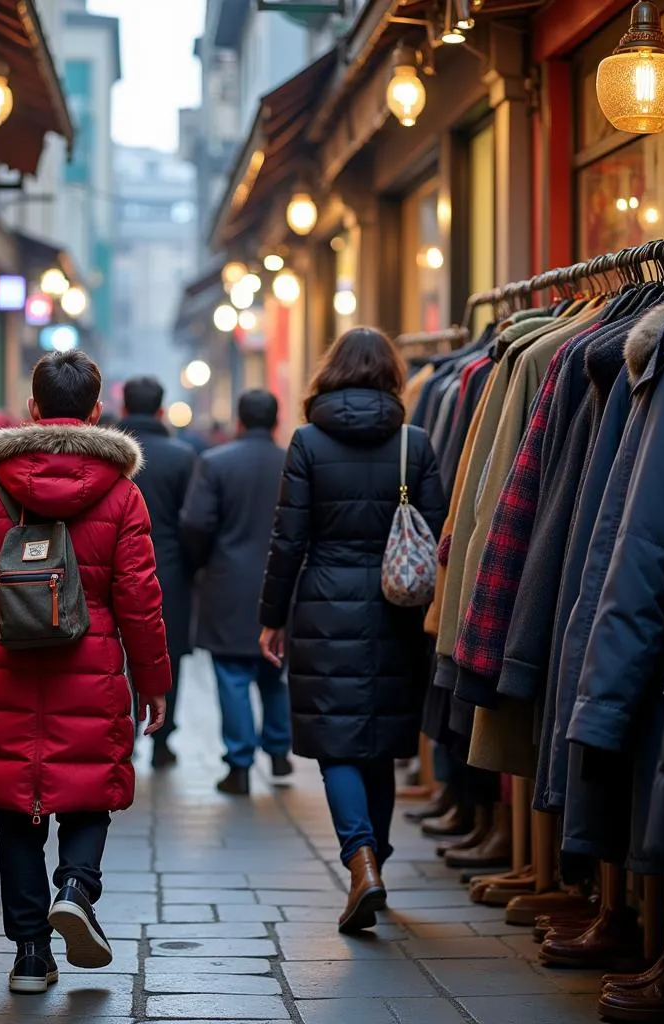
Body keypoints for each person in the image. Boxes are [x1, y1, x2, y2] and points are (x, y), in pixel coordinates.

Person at [0, 349, 171, 994]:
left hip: (4, 662)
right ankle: (75, 886)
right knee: (88, 788)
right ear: (98, 412)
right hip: (91, 664)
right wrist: (153, 682)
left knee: (15, 808)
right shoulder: (122, 493)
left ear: (34, 409)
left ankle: (31, 957)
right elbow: (140, 596)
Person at [258, 327, 447, 934]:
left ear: (330, 373)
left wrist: (272, 615)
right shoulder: (413, 444)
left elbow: (289, 538)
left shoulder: (307, 442)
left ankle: (359, 860)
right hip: (396, 607)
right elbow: (439, 534)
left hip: (323, 602)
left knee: (336, 744)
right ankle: (377, 863)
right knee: (381, 746)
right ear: (392, 373)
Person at [181, 389, 292, 796]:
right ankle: (279, 750)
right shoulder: (291, 463)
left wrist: (200, 564)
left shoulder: (214, 463)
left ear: (239, 422)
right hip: (280, 580)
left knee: (231, 675)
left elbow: (196, 523)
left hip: (227, 582)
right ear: (276, 422)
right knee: (273, 670)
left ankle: (240, 763)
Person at [119, 376, 196, 768]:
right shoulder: (182, 457)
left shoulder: (110, 454)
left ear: (125, 407)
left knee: (118, 654)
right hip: (169, 572)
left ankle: (125, 733)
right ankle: (163, 739)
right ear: (162, 410)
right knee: (168, 655)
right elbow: (193, 522)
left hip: (115, 569)